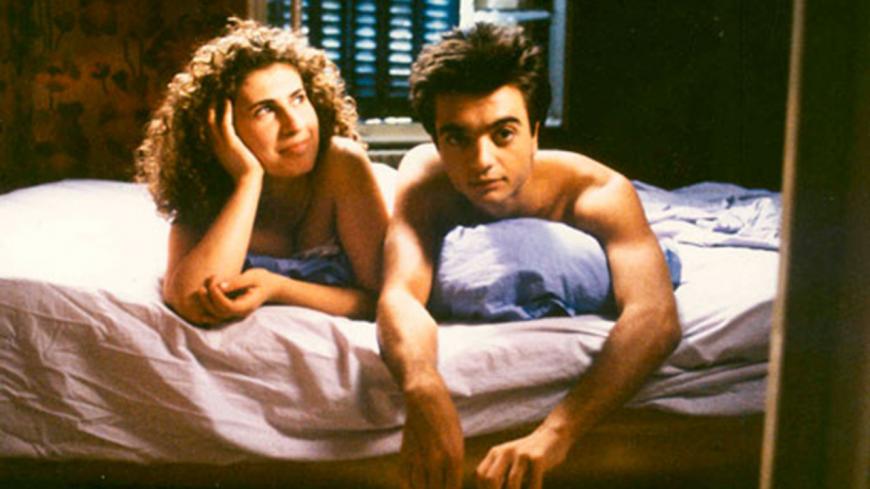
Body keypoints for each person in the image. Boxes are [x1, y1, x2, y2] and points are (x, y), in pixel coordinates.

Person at [376, 22, 681, 489]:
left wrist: (556, 433)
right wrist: (423, 385)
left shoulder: (598, 192)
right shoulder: (425, 181)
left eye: (503, 133)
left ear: (535, 133)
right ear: (437, 142)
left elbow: (655, 316)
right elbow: (400, 294)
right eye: (457, 138)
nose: (481, 160)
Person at [136, 19, 388, 326]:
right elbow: (192, 301)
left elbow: (387, 298)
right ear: (221, 129)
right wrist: (248, 179)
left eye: (298, 98)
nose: (294, 124)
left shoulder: (342, 163)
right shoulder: (204, 193)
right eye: (265, 110)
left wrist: (277, 288)